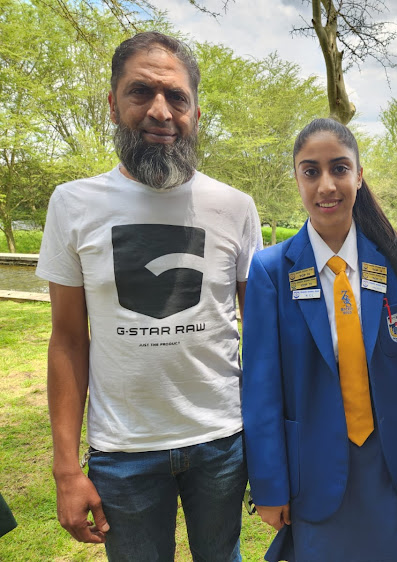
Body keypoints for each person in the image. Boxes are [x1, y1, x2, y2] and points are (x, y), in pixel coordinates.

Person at [36, 31, 263, 560]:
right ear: (113, 105)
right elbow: (68, 341)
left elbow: (263, 338)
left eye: (176, 97)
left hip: (223, 442)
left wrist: (272, 447)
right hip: (123, 451)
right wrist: (66, 468)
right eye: (141, 92)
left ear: (196, 113)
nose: (160, 111)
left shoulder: (235, 207)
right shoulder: (72, 205)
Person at [242, 118, 397, 562]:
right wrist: (268, 484)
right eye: (311, 171)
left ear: (359, 176)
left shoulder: (395, 263)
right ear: (297, 179)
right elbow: (260, 389)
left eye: (340, 169)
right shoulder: (271, 270)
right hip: (313, 466)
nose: (327, 185)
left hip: (387, 463)